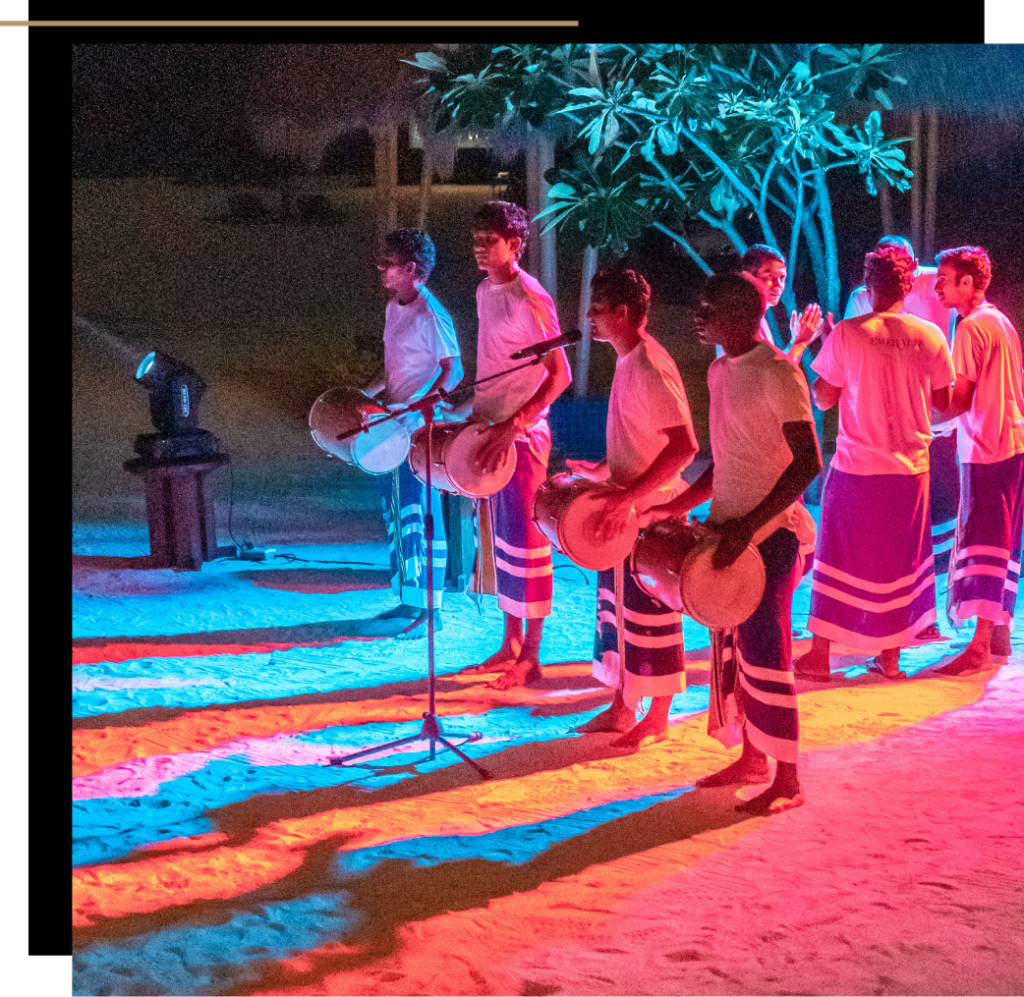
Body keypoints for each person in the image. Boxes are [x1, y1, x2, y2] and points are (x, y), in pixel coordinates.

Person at [647, 273, 822, 814]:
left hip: (770, 537)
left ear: (745, 315)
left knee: (768, 654)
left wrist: (749, 527)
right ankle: (751, 756)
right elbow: (727, 459)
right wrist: (678, 507)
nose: (699, 313)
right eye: (700, 303)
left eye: (711, 306)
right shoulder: (721, 370)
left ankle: (787, 777)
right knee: (737, 654)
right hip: (731, 530)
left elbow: (808, 463)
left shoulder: (778, 372)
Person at [795, 244, 954, 681]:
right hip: (910, 469)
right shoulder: (931, 336)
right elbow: (942, 404)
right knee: (901, 560)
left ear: (868, 284)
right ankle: (889, 656)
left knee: (837, 556)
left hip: (855, 466)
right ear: (909, 283)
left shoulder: (849, 332)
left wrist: (824, 354)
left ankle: (820, 654)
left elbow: (823, 397)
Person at [567, 268, 699, 748]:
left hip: (650, 514)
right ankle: (624, 706)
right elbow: (641, 441)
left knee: (652, 614)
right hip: (626, 511)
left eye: (598, 309)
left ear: (622, 314)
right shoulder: (628, 361)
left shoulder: (648, 364)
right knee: (620, 613)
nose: (589, 318)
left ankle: (657, 716)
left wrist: (626, 498)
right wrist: (603, 471)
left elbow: (684, 447)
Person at [460, 201, 572, 688]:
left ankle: (532, 653)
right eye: (477, 240)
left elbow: (559, 375)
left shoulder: (531, 298)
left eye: (491, 240)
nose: (481, 249)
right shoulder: (486, 290)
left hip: (523, 438)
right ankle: (508, 642)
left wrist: (515, 424)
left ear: (516, 244)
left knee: (528, 543)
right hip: (490, 430)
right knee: (502, 541)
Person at [844, 236, 959, 639]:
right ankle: (901, 626)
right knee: (904, 539)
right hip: (898, 442)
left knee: (924, 527)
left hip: (909, 440)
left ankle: (898, 624)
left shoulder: (931, 290)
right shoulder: (864, 314)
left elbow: (825, 393)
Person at [365, 228, 463, 639]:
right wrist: (362, 395)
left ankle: (432, 609)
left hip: (421, 428)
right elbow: (393, 372)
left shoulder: (430, 314)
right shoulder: (395, 308)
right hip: (394, 423)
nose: (380, 269)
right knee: (396, 509)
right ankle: (409, 595)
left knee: (422, 513)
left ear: (411, 269)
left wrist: (419, 402)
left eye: (388, 263)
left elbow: (453, 370)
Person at [931, 246, 1024, 676]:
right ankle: (998, 634)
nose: (937, 285)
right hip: (1012, 445)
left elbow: (960, 399)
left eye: (944, 278)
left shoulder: (970, 328)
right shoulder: (1001, 321)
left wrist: (919, 409)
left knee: (984, 544)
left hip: (988, 450)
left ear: (967, 282)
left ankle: (979, 646)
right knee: (1003, 544)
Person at [718, 244, 828, 365]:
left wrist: (795, 341)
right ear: (748, 278)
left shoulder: (755, 318)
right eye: (770, 276)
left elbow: (774, 366)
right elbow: (767, 377)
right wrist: (799, 343)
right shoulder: (740, 322)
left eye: (782, 278)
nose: (779, 285)